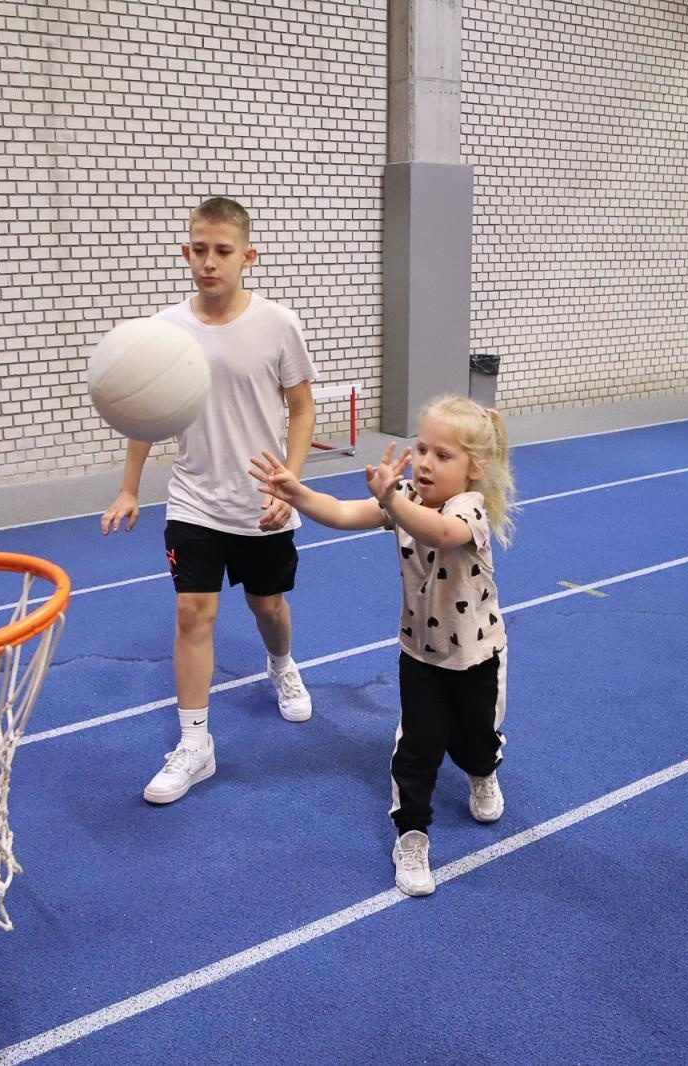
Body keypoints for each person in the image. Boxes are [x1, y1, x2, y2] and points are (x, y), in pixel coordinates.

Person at [250, 394, 514, 897]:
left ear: (474, 467)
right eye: (422, 449)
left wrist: (393, 500)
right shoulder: (407, 498)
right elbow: (344, 513)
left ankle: (483, 772)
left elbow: (438, 531)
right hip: (420, 654)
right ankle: (411, 836)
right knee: (417, 747)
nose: (426, 463)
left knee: (475, 738)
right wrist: (296, 492)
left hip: (476, 654)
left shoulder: (469, 510)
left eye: (443, 455)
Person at [100, 196, 318, 805]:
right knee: (192, 614)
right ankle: (196, 744)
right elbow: (145, 413)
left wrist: (290, 482)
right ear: (185, 251)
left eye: (222, 251)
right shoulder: (166, 330)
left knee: (267, 606)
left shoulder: (278, 323)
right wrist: (128, 488)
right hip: (192, 500)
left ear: (248, 256)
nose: (209, 262)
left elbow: (301, 410)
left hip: (262, 502)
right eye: (199, 249)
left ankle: (281, 665)